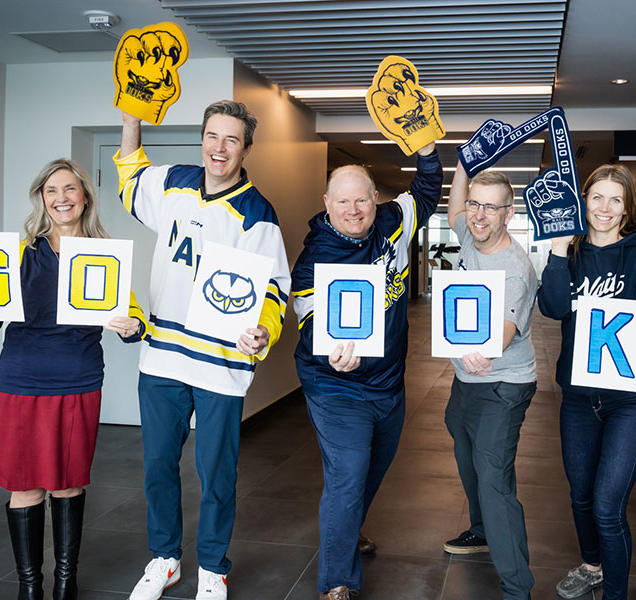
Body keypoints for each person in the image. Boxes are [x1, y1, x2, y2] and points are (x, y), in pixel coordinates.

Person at [0, 158, 146, 600]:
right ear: (42, 198)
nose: (61, 198)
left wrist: (133, 326)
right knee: (24, 483)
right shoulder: (17, 254)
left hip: (78, 379)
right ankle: (29, 586)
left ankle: (65, 582)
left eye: (70, 189)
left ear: (85, 196)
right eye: (52, 190)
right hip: (21, 380)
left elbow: (132, 320)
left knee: (69, 481)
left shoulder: (105, 255)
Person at [114, 100, 291, 600]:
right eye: (213, 136)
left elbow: (275, 289)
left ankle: (213, 568)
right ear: (203, 139)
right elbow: (130, 176)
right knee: (158, 468)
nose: (220, 148)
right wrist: (132, 119)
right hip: (163, 357)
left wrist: (263, 331)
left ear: (246, 149)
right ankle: (165, 560)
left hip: (222, 366)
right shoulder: (173, 182)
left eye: (232, 139)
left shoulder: (258, 213)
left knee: (217, 475)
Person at [290, 142, 442, 600]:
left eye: (362, 199)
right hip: (335, 384)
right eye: (342, 201)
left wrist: (428, 149)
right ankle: (337, 581)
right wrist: (331, 351)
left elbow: (427, 190)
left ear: (375, 198)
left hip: (389, 383)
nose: (353, 210)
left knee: (372, 470)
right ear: (327, 204)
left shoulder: (391, 224)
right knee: (349, 473)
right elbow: (311, 320)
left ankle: (348, 528)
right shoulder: (315, 258)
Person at [538, 164, 636, 600]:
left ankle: (615, 593)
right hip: (579, 398)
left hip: (632, 400)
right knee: (581, 496)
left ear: (627, 206)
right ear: (583, 202)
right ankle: (591, 565)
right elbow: (554, 308)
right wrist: (557, 247)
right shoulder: (569, 256)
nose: (605, 208)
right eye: (597, 197)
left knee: (608, 507)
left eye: (616, 199)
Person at [440, 165, 539, 600]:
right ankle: (481, 532)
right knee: (467, 459)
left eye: (490, 208)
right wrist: (463, 166)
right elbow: (452, 207)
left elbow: (504, 332)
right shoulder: (469, 232)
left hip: (503, 383)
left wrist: (475, 348)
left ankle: (518, 587)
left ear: (508, 213)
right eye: (475, 205)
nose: (478, 215)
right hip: (467, 381)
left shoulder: (515, 268)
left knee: (493, 478)